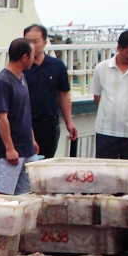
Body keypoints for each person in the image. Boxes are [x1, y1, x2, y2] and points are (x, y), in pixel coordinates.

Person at [0, 38, 39, 195]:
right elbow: (1, 116)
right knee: (5, 195)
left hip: (27, 148)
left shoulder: (22, 78)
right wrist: (9, 148)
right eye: (32, 55)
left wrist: (32, 139)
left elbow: (24, 111)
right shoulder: (3, 81)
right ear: (25, 57)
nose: (34, 59)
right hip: (12, 151)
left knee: (28, 193)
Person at [24, 24, 78, 158]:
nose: (32, 46)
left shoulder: (57, 65)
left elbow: (64, 94)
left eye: (35, 41)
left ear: (44, 42)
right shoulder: (21, 67)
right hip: (26, 124)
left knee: (46, 161)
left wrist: (69, 122)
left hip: (49, 124)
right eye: (28, 42)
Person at [91, 30, 128, 159]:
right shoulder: (101, 68)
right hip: (106, 130)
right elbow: (97, 97)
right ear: (119, 48)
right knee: (104, 168)